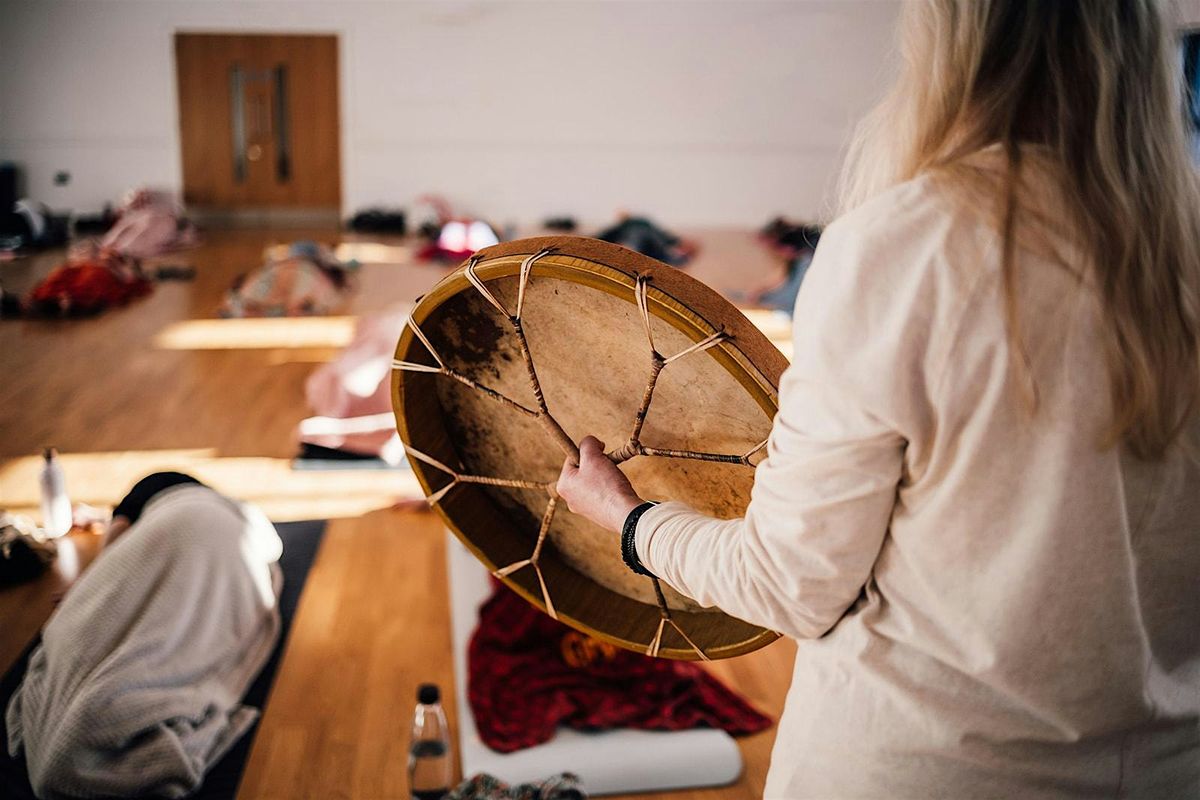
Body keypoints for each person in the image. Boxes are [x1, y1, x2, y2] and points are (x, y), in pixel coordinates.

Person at [556, 2, 1200, 797]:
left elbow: (786, 584)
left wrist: (629, 519)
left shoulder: (904, 245)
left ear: (952, 43)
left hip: (923, 772)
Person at [6, 473, 283, 798]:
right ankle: (97, 716)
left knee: (113, 628)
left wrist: (88, 584)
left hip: (192, 526)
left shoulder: (152, 491)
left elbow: (115, 545)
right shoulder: (231, 511)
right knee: (194, 620)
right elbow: (270, 550)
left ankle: (87, 715)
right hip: (225, 537)